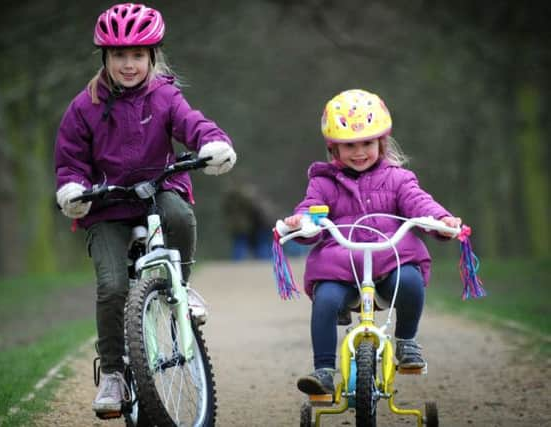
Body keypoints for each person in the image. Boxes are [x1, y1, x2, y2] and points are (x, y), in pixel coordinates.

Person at [53, 3, 237, 415]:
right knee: (113, 285)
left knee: (181, 216)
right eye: (120, 55)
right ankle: (115, 374)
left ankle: (181, 288)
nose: (129, 64)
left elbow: (193, 124)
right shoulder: (83, 107)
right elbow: (70, 159)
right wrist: (73, 188)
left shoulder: (165, 95)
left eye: (138, 55)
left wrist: (211, 144)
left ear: (153, 57)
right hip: (106, 205)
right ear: (106, 58)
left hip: (159, 189)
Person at [282, 89, 461, 395]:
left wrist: (441, 220)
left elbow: (420, 204)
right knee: (324, 301)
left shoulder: (399, 179)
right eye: (349, 145)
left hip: (390, 261)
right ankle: (323, 370)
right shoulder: (322, 182)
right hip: (341, 269)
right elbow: (310, 210)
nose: (359, 151)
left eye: (367, 143)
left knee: (411, 281)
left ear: (382, 142)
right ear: (334, 148)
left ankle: (406, 341)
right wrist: (301, 223)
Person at [221, 182, 274, 261]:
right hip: (253, 227)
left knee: (242, 244)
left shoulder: (231, 202)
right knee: (260, 244)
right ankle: (263, 261)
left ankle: (238, 261)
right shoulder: (251, 202)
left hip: (253, 227)